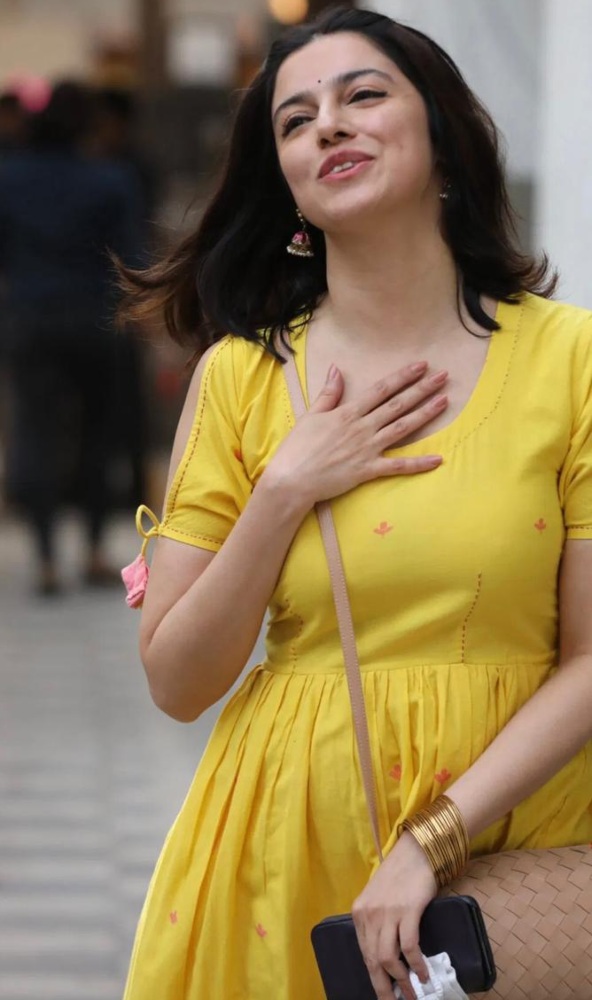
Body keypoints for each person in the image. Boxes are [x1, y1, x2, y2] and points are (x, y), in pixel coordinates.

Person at [117, 8, 592, 1000]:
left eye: (362, 95)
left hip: (513, 839)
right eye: (295, 120)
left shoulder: (569, 359)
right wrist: (286, 488)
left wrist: (432, 842)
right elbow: (177, 679)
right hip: (289, 845)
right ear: (285, 181)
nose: (326, 125)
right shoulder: (241, 380)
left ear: (446, 141)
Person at [0, 80, 142, 594]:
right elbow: (132, 257)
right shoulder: (109, 180)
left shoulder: (8, 178)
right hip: (96, 320)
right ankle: (95, 549)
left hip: (29, 318)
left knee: (35, 432)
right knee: (97, 434)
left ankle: (44, 560)